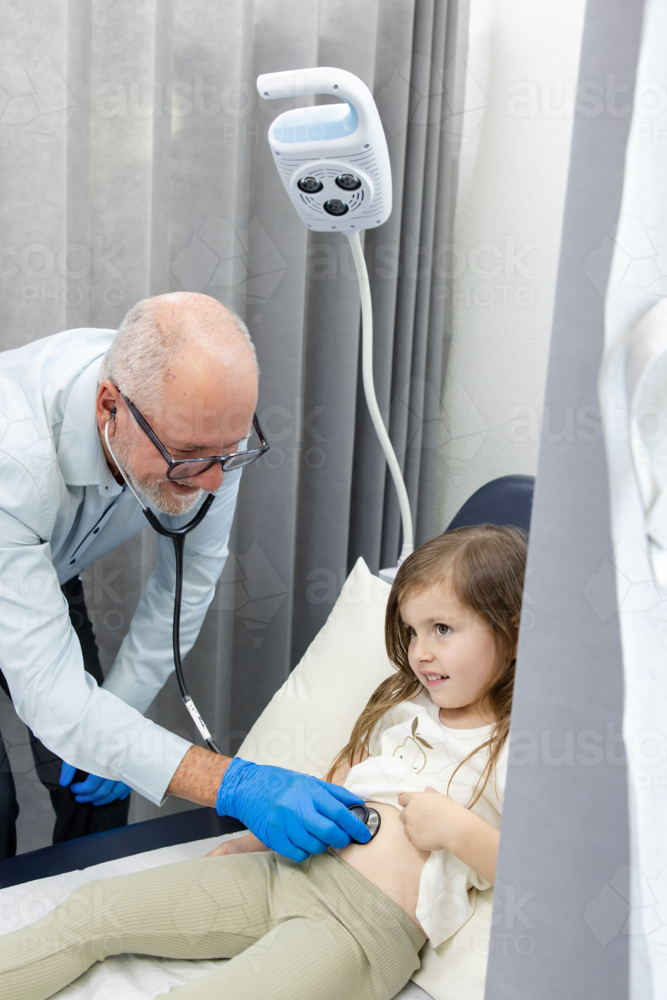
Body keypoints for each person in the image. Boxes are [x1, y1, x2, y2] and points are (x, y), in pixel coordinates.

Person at [0, 524, 526, 1000]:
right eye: (412, 631)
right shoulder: (402, 707)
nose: (420, 653)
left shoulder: (517, 749)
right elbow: (334, 788)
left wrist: (457, 830)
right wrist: (254, 838)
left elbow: (538, 879)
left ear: (515, 629)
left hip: (359, 928)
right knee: (91, 911)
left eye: (442, 629)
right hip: (283, 871)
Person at [0, 292, 369, 860]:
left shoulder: (202, 422)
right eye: (190, 457)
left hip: (42, 563)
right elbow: (57, 701)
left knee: (101, 780)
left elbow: (192, 574)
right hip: (11, 532)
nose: (215, 482)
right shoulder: (14, 452)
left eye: (231, 451)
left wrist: (118, 717)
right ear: (108, 409)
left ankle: (89, 918)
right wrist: (235, 784)